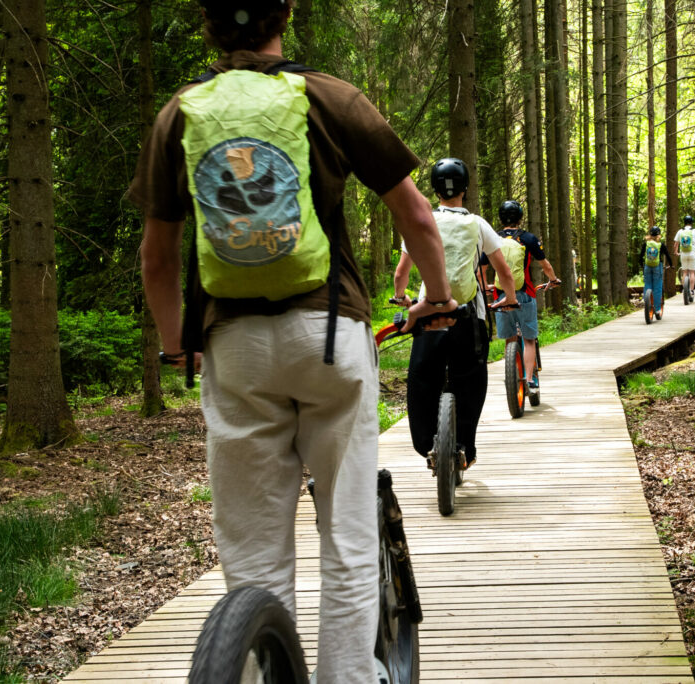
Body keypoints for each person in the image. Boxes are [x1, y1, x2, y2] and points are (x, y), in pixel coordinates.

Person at [132, 2, 456, 682]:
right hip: (330, 334)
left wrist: (175, 345)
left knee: (253, 552)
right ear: (285, 12)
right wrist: (436, 296)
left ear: (209, 21)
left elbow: (157, 258)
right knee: (347, 534)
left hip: (234, 345)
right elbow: (417, 215)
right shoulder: (329, 97)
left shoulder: (179, 113)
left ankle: (255, 663)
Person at [393, 159, 518, 471]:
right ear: (465, 188)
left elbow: (401, 274)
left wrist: (401, 297)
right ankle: (465, 449)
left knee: (422, 378)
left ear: (435, 189)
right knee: (471, 379)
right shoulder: (478, 224)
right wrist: (510, 298)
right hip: (467, 315)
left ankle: (427, 445)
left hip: (428, 313)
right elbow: (504, 272)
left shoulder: (423, 221)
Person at [481, 200, 561, 391]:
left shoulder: (493, 239)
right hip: (524, 293)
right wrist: (553, 280)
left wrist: (485, 287)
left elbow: (480, 270)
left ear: (501, 218)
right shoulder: (528, 238)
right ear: (520, 218)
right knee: (529, 339)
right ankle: (530, 380)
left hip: (500, 295)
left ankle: (512, 375)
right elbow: (546, 266)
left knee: (510, 339)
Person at [640, 225, 672, 319]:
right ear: (659, 235)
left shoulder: (646, 244)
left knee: (647, 284)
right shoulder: (661, 245)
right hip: (658, 267)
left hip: (647, 266)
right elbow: (668, 255)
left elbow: (640, 256)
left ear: (650, 234)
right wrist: (671, 265)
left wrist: (642, 266)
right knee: (657, 287)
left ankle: (647, 303)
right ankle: (657, 309)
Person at [674, 215, 695, 294]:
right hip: (693, 254)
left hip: (683, 254)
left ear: (684, 222)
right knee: (692, 272)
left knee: (685, 272)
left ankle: (684, 290)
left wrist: (676, 252)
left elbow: (676, 244)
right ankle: (691, 290)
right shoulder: (694, 231)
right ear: (691, 222)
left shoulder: (680, 231)